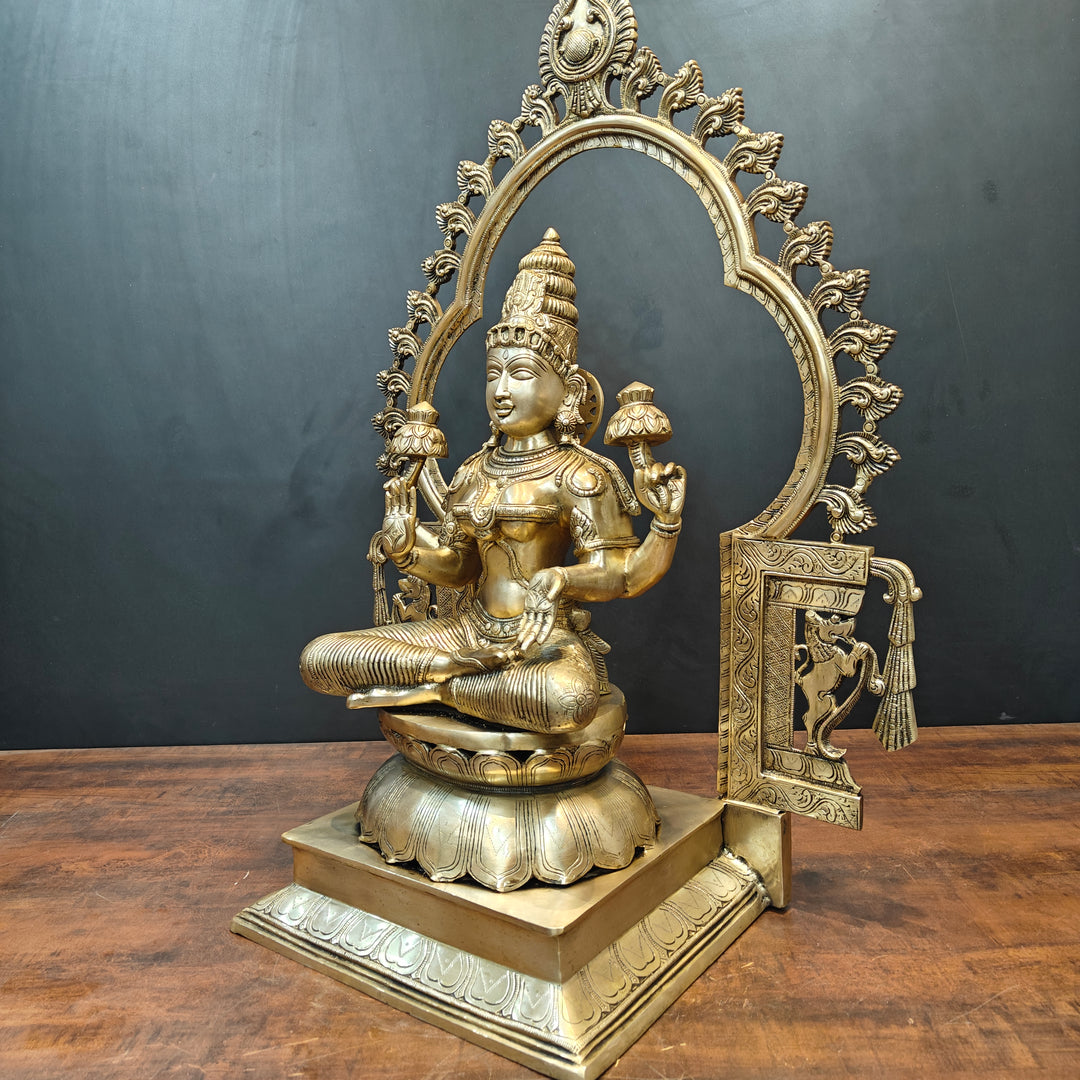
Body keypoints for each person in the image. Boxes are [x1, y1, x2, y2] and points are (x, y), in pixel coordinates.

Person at [300, 229, 685, 733]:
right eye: (492, 374)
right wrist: (407, 546)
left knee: (568, 699)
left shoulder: (580, 474)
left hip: (541, 639)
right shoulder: (474, 470)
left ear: (567, 389)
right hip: (467, 633)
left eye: (520, 373)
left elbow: (624, 575)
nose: (501, 390)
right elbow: (460, 566)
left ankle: (441, 689)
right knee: (322, 656)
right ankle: (456, 673)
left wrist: (656, 530)